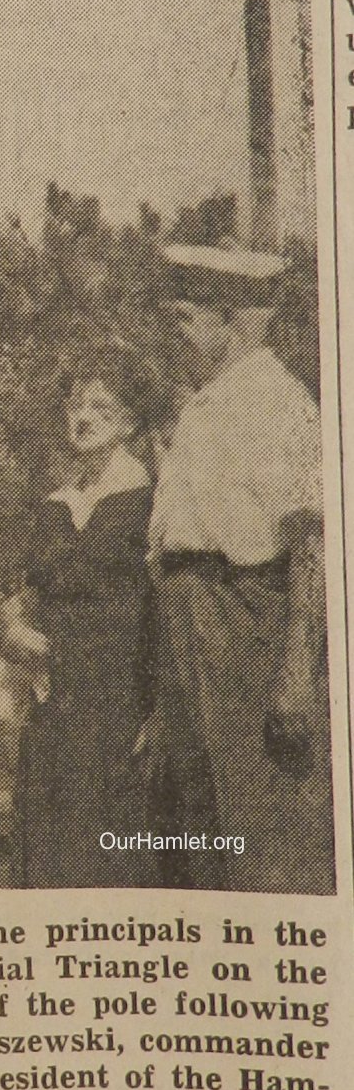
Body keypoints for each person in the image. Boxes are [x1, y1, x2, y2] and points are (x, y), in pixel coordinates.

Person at [146, 243, 334, 893]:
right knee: (202, 833)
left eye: (186, 317)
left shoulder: (275, 402)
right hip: (190, 626)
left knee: (262, 834)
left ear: (227, 319)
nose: (175, 331)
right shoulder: (206, 404)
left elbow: (310, 541)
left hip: (246, 624)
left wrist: (293, 673)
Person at [14, 350, 159, 887]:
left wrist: (155, 705)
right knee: (48, 842)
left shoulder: (143, 500)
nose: (83, 417)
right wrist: (14, 631)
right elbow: (31, 586)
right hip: (52, 694)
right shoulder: (57, 503)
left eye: (100, 406)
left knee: (107, 846)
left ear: (130, 419)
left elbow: (154, 608)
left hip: (115, 697)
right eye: (75, 404)